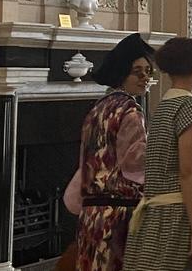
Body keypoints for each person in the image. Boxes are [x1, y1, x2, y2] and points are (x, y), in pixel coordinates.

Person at [124, 37, 192, 271]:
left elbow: (166, 159)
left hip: (154, 217)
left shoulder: (163, 106)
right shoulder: (189, 107)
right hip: (178, 217)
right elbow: (187, 173)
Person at [64, 33, 154, 271]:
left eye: (148, 72)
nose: (146, 78)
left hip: (90, 216)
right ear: (122, 73)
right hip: (119, 218)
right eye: (138, 72)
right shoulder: (131, 112)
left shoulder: (97, 109)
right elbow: (136, 165)